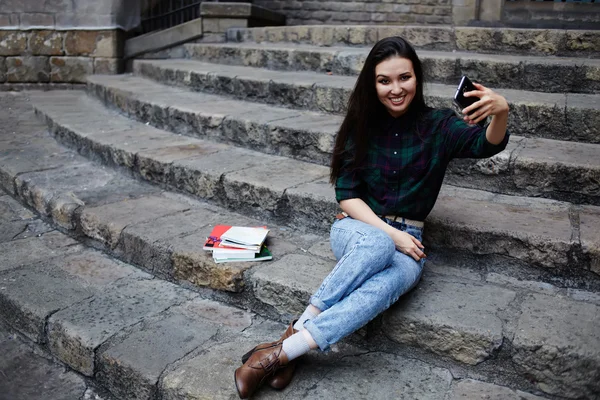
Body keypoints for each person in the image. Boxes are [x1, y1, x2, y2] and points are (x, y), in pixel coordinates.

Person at [234, 36, 510, 399]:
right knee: (379, 242)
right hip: (357, 228)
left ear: (417, 78)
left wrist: (501, 111)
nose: (396, 89)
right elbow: (347, 195)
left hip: (410, 241)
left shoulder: (438, 126)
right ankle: (290, 344)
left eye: (404, 78)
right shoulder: (360, 124)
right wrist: (391, 235)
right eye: (384, 81)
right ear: (372, 83)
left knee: (386, 286)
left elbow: (485, 144)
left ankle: (283, 351)